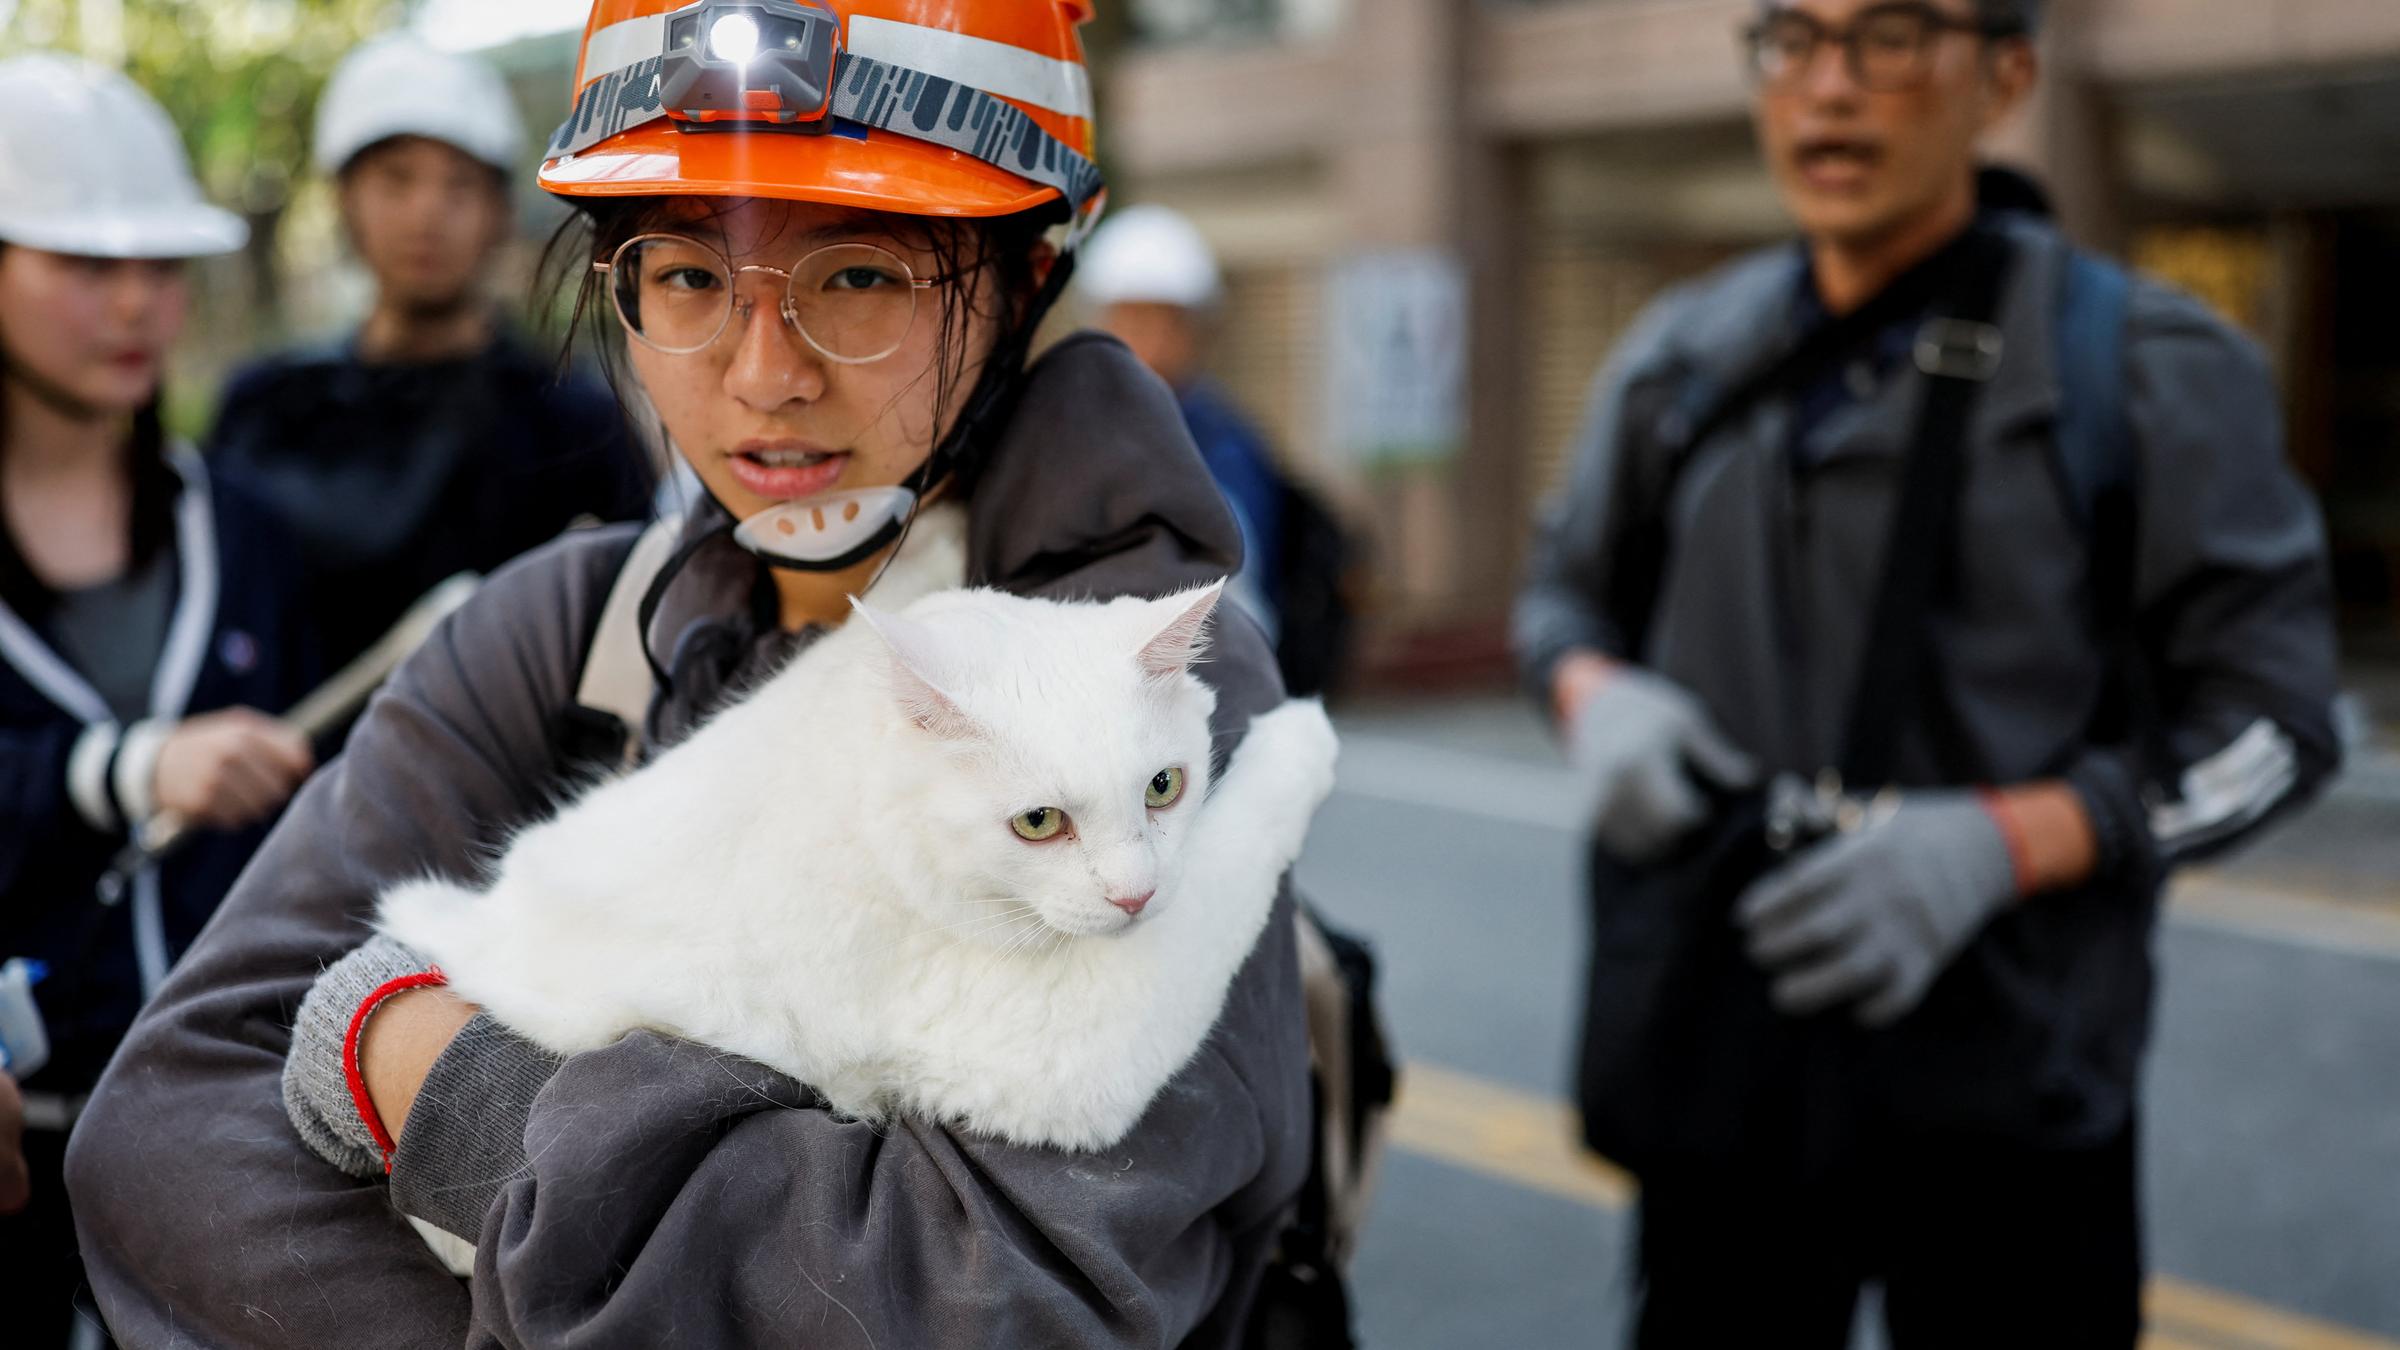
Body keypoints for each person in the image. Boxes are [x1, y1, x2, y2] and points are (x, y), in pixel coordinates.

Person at [67, 3, 1311, 1346]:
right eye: (686, 277)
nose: (763, 376)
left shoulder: (1147, 702)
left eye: (861, 275)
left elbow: (997, 1302)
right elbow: (158, 1134)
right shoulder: (560, 629)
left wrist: (454, 1087)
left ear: (1030, 274)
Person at [1513, 1, 2341, 1345]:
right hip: (1727, 1059)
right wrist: (1590, 695)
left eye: (1890, 35)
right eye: (1792, 38)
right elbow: (1559, 594)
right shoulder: (1681, 355)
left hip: (2012, 1096)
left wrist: (2010, 841)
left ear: (2005, 76)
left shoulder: (2139, 365)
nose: (1829, 88)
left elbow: (2279, 723)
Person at [0, 54, 318, 1348]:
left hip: (231, 1173)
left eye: (162, 266)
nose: (136, 304)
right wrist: (117, 770)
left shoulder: (243, 533)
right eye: (85, 266)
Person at [206, 34, 652, 674]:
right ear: (344, 200)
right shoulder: (267, 410)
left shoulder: (571, 427)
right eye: (396, 180)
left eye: (458, 184)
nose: (427, 214)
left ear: (499, 212)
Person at [1082, 204, 1356, 695]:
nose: (1149, 341)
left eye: (1167, 322)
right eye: (1131, 318)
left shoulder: (1225, 442)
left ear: (1196, 332)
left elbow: (1241, 585)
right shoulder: (1067, 422)